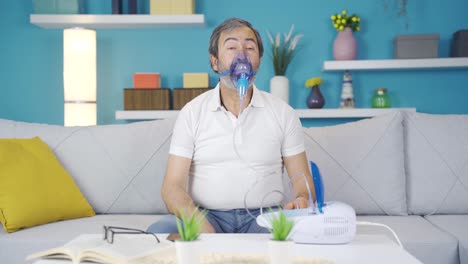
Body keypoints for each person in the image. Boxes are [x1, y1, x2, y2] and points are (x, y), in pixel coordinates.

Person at [147, 17, 315, 234]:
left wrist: (301, 200)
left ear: (259, 61)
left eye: (250, 47)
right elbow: (172, 187)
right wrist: (197, 222)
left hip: (265, 217)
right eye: (232, 47)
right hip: (207, 216)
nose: (242, 55)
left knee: (300, 233)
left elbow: (302, 180)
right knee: (159, 231)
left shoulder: (283, 113)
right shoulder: (192, 112)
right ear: (215, 62)